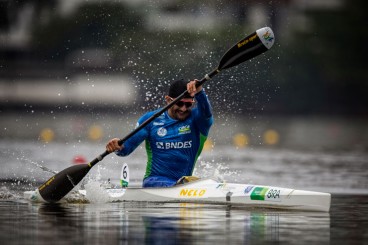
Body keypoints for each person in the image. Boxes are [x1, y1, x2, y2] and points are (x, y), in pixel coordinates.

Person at [106, 79, 214, 187]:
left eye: (188, 104)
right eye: (180, 103)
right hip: (154, 181)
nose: (183, 108)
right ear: (168, 100)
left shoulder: (197, 120)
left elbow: (207, 113)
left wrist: (199, 91)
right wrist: (118, 147)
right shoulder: (150, 120)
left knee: (191, 182)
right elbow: (126, 149)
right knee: (172, 183)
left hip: (184, 183)